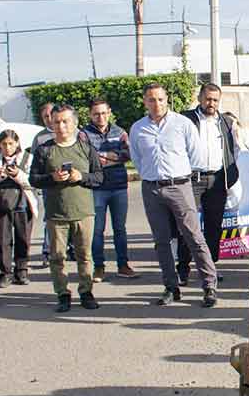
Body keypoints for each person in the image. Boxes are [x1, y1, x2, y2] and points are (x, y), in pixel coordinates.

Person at [129, 82, 218, 308]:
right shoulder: (138, 128)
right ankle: (171, 287)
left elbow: (196, 156)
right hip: (151, 189)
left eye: (160, 99)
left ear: (166, 99)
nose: (156, 104)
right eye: (151, 99)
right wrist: (152, 176)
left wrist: (178, 176)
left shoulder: (182, 124)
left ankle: (209, 286)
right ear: (144, 102)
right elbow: (138, 159)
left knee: (194, 237)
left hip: (180, 186)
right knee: (161, 241)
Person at [28, 104, 104, 312]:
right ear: (51, 123)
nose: (61, 126)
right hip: (56, 214)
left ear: (75, 123)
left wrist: (82, 177)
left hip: (84, 212)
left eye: (65, 121)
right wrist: (51, 178)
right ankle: (62, 293)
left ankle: (86, 291)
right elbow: (33, 179)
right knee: (57, 257)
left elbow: (99, 178)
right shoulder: (44, 150)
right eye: (56, 122)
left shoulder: (86, 148)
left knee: (84, 255)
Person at [177, 83, 240, 285]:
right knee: (187, 227)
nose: (211, 103)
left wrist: (230, 176)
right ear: (200, 98)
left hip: (217, 180)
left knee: (214, 227)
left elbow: (232, 150)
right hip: (191, 180)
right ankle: (183, 269)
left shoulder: (225, 122)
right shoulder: (185, 119)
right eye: (208, 99)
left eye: (215, 100)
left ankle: (210, 269)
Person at [79, 98, 137, 282]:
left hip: (119, 186)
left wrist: (107, 157)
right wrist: (109, 156)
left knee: (120, 229)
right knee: (97, 230)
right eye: (96, 114)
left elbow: (129, 154)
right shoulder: (84, 134)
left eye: (104, 113)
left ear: (109, 112)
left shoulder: (120, 132)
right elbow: (86, 158)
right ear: (90, 114)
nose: (100, 117)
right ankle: (99, 267)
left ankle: (123, 265)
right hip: (96, 188)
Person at [0, 129, 37, 287]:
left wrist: (17, 174)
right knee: (3, 239)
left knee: (23, 239)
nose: (7, 147)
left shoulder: (27, 157)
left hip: (23, 204)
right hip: (1, 204)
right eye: (4, 144)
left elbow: (33, 181)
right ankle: (5, 273)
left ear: (17, 143)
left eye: (11, 144)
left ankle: (21, 271)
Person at [28, 102, 58, 267]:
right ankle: (48, 252)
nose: (48, 119)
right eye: (45, 116)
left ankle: (72, 249)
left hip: (70, 183)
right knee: (50, 219)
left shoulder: (72, 132)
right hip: (49, 184)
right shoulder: (39, 137)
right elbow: (33, 162)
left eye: (50, 115)